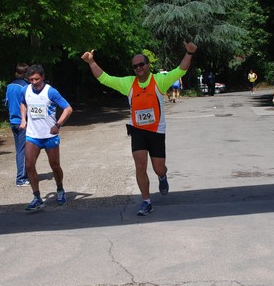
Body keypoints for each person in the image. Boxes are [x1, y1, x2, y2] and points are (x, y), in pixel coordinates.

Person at [81, 41, 198, 216]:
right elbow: (104, 78)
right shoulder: (128, 83)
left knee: (159, 168)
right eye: (135, 66)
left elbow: (180, 70)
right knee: (140, 165)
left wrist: (189, 53)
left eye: (141, 64)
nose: (138, 68)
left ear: (148, 65)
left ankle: (162, 176)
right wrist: (91, 62)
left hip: (157, 131)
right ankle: (146, 201)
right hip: (138, 131)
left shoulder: (160, 80)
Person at [20, 64, 73, 211]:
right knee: (29, 166)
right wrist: (23, 119)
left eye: (37, 79)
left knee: (55, 166)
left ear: (42, 77)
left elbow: (68, 109)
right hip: (33, 135)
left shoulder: (51, 92)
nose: (34, 82)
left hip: (49, 136)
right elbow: (23, 103)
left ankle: (60, 189)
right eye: (31, 79)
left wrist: (58, 124)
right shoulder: (25, 90)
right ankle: (37, 197)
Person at [5, 62, 30, 186]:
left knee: (19, 150)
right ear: (26, 73)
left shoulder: (9, 86)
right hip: (23, 122)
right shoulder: (25, 87)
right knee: (23, 151)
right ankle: (21, 178)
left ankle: (24, 175)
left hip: (13, 121)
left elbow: (7, 104)